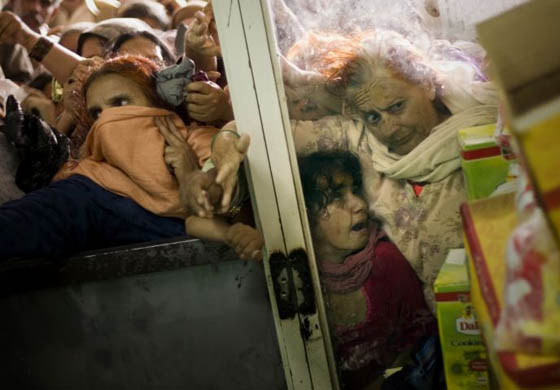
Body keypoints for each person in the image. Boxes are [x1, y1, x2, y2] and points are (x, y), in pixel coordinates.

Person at [298, 150, 436, 389]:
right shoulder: (296, 278)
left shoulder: (386, 262)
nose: (360, 205)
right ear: (305, 212)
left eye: (355, 191)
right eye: (336, 196)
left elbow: (421, 343)